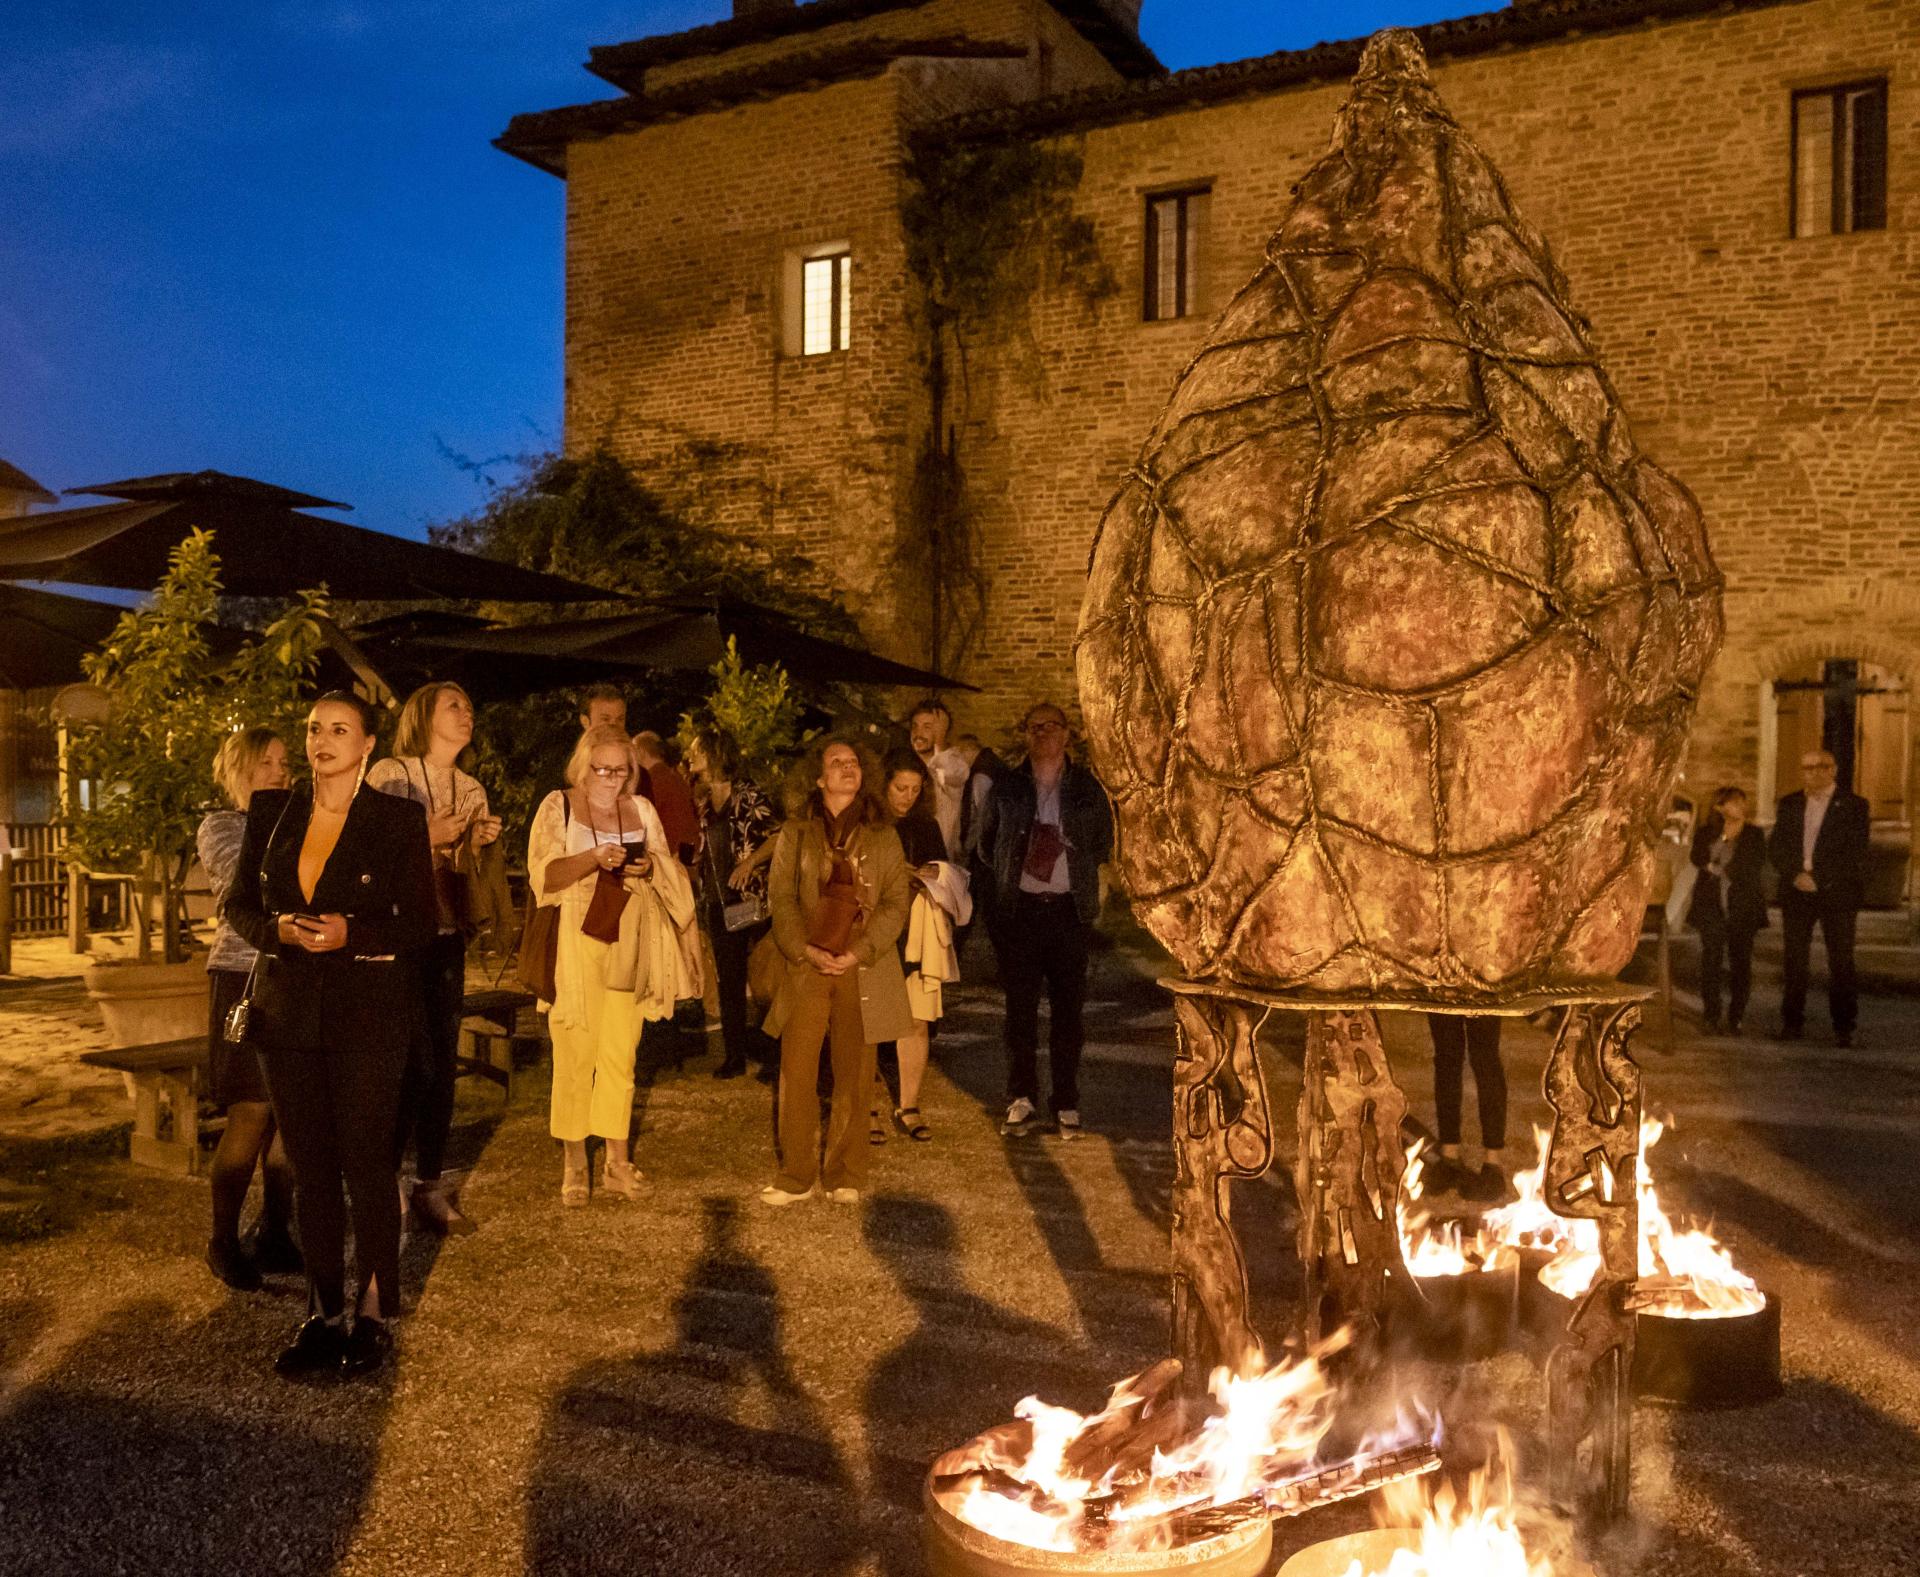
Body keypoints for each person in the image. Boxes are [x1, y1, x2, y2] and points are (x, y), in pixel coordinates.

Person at [225, 692, 437, 1380]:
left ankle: (372, 1313)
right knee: (311, 1168)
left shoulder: (396, 820)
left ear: (368, 743)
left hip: (369, 1014)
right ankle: (321, 1311)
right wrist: (277, 930)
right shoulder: (273, 813)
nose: (321, 739)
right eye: (314, 728)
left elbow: (420, 925)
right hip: (288, 1015)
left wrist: (355, 933)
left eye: (339, 729)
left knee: (367, 1164)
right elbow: (240, 905)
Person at [528, 725, 694, 1205]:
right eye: (600, 768)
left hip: (630, 933)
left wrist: (649, 868)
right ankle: (575, 1159)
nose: (609, 778)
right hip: (575, 936)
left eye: (620, 770)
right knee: (575, 1047)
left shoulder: (640, 809)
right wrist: (593, 858)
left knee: (621, 1052)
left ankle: (617, 1161)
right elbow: (545, 876)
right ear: (582, 766)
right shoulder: (556, 806)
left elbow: (668, 867)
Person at [366, 681, 503, 1235]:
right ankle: (387, 1180)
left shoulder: (470, 786)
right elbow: (365, 853)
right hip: (398, 935)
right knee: (405, 1058)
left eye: (471, 706)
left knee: (441, 1062)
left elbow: (469, 877)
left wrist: (477, 844)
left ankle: (429, 1183)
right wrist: (426, 835)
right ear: (424, 714)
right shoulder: (388, 775)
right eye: (455, 705)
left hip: (447, 934)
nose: (467, 713)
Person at [760, 737, 911, 1206]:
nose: (847, 768)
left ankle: (845, 1172)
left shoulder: (884, 835)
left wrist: (860, 950)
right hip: (807, 965)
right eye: (836, 763)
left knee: (855, 1072)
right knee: (798, 1070)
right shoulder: (796, 833)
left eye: (853, 762)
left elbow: (895, 902)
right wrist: (802, 947)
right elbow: (781, 897)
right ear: (819, 777)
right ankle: (796, 1174)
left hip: (860, 968)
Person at [977, 703, 1114, 1138]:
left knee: (1068, 1013)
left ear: (1067, 734)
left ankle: (1066, 1100)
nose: (1042, 735)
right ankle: (1021, 1095)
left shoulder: (1087, 790)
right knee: (1019, 1011)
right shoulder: (1008, 787)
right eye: (1034, 727)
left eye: (1051, 727)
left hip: (1068, 913)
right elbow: (985, 845)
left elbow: (1102, 845)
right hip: (1022, 911)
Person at [196, 726, 299, 1291]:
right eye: (266, 763)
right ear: (238, 769)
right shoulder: (222, 825)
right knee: (251, 1112)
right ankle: (222, 1240)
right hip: (244, 976)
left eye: (285, 763)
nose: (279, 772)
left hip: (295, 976)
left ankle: (276, 1231)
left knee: (290, 1113)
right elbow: (246, 893)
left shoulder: (298, 823)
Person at [874, 751, 968, 1144]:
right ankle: (866, 1108)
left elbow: (943, 871)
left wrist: (933, 876)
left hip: (915, 931)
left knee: (916, 1020)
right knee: (871, 1021)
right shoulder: (869, 824)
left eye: (915, 789)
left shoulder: (925, 824)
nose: (907, 797)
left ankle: (909, 1103)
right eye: (900, 788)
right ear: (883, 785)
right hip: (877, 932)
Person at [685, 726, 781, 1080]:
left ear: (713, 754)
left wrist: (749, 862)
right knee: (728, 979)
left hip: (750, 898)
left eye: (697, 750)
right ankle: (735, 1055)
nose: (690, 755)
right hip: (719, 899)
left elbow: (777, 834)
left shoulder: (749, 795)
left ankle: (773, 1052)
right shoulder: (703, 800)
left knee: (762, 976)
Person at [1768, 748, 1872, 1046]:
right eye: (1806, 768)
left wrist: (1820, 879)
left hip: (1836, 893)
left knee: (1840, 960)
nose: (1812, 773)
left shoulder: (1854, 806)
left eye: (1819, 767)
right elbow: (1778, 847)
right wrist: (1795, 875)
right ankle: (1792, 1023)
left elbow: (1855, 851)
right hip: (1797, 891)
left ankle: (1843, 1027)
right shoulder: (1790, 804)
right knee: (1794, 960)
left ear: (1833, 769)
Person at [1688, 785, 1768, 1034]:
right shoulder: (1708, 832)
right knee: (1711, 958)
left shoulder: (1754, 834)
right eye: (1733, 803)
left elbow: (1753, 864)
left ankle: (1736, 1015)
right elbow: (1698, 856)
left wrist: (1724, 870)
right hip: (1711, 903)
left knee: (1740, 961)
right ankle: (1711, 1013)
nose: (1740, 807)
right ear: (1720, 807)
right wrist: (1722, 841)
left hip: (1742, 904)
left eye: (1742, 802)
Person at [1421, 1016, 1508, 1201]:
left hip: (1480, 989)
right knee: (1448, 1058)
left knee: (1484, 1059)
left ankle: (1492, 1163)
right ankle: (1450, 1155)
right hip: (1445, 989)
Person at [907, 699, 970, 859]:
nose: (918, 733)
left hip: (940, 864)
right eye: (915, 726)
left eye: (927, 727)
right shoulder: (907, 765)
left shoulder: (954, 763)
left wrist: (939, 742)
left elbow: (955, 776)